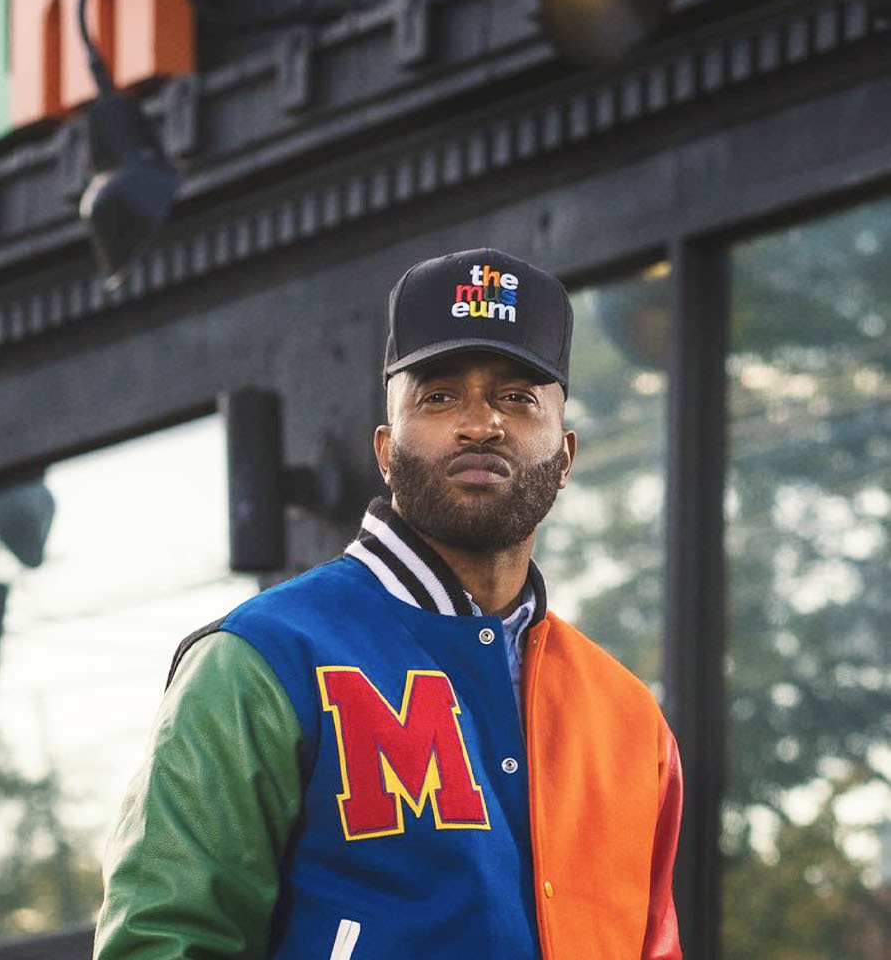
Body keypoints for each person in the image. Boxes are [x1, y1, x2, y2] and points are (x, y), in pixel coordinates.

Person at [93, 248, 684, 960]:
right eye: (438, 396)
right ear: (384, 449)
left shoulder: (629, 721)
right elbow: (165, 941)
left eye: (517, 398)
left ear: (564, 455)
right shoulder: (263, 659)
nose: (479, 423)